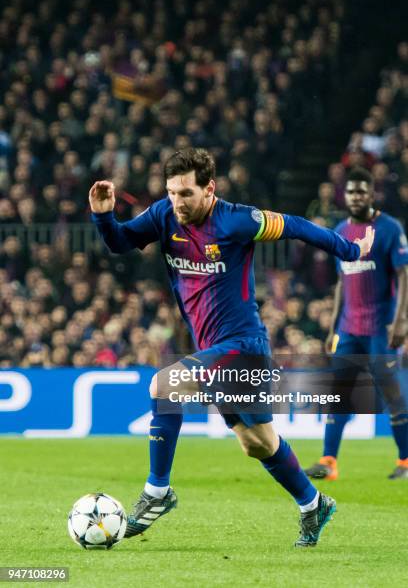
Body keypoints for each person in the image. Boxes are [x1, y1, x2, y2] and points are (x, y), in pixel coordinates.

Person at [89, 148, 374, 547]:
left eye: (186, 193)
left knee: (164, 387)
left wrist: (349, 249)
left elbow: (295, 226)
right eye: (171, 192)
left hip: (243, 344)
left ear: (210, 188)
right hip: (212, 346)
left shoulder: (239, 220)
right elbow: (120, 243)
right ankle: (313, 504)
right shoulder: (162, 216)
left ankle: (157, 492)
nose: (177, 202)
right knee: (257, 443)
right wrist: (103, 215)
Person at [305, 167, 408, 481]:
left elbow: (404, 275)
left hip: (381, 327)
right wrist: (332, 326)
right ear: (345, 195)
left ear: (372, 193)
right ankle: (328, 461)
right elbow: (341, 281)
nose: (356, 196)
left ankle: (405, 461)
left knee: (391, 394)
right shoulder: (340, 230)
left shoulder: (390, 228)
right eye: (351, 191)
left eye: (362, 191)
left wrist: (401, 321)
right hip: (349, 329)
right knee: (339, 393)